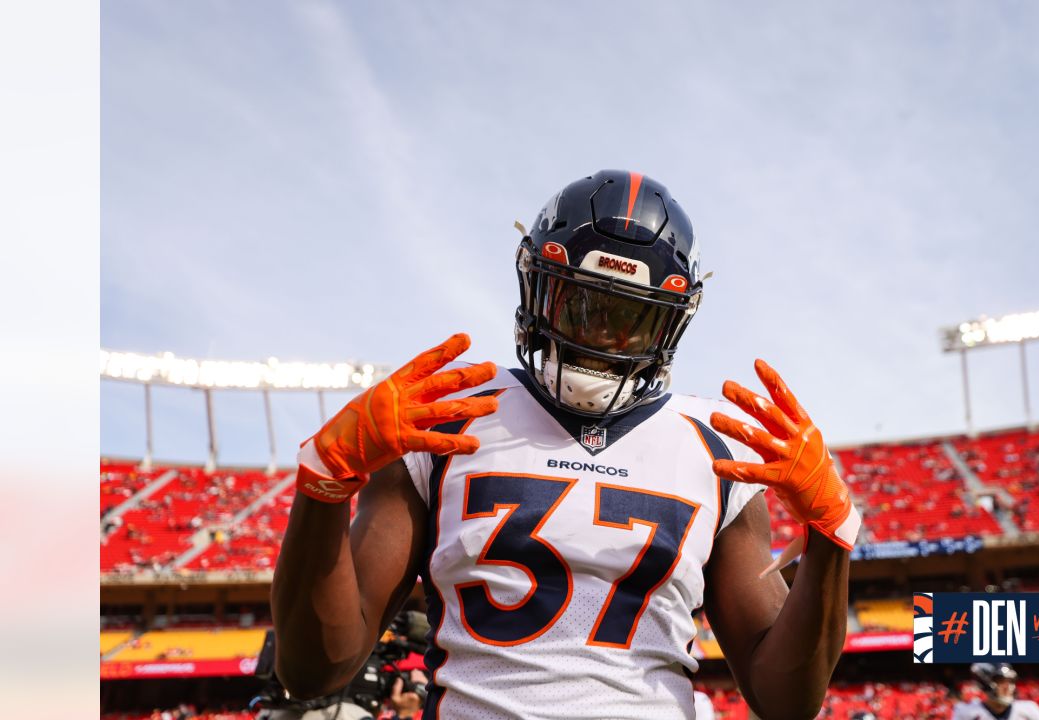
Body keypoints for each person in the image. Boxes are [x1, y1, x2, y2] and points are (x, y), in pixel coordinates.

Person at [271, 170, 861, 719]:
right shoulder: (446, 420)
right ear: (537, 286)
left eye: (632, 316)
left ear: (672, 323)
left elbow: (787, 701)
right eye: (580, 302)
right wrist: (323, 482)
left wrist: (833, 536)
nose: (603, 334)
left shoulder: (715, 450)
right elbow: (314, 670)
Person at [951, 663, 1039, 720]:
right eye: (1001, 681)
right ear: (985, 683)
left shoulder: (1029, 709)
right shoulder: (965, 712)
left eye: (1010, 681)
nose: (1008, 687)